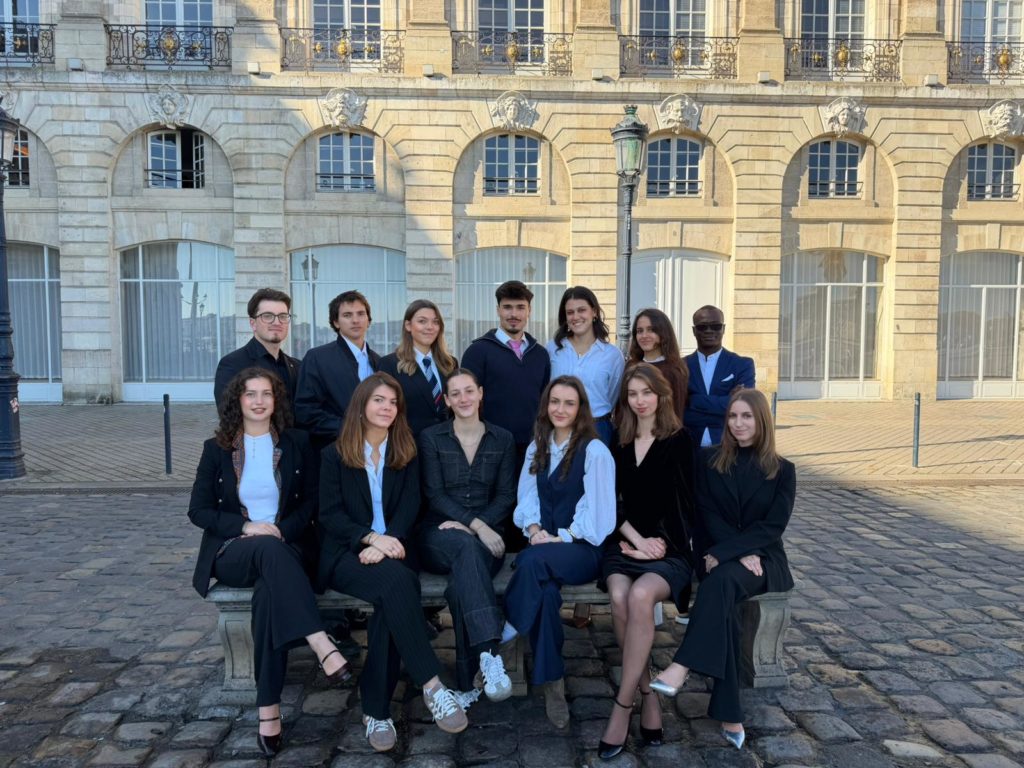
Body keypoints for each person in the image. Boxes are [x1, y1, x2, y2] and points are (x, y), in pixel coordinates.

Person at [188, 368, 351, 758]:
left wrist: (279, 530)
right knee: (264, 550)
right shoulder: (216, 449)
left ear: (276, 401)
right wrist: (247, 526)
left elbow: (311, 502)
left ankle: (269, 710)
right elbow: (199, 510)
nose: (259, 401)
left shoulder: (296, 443)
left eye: (266, 394)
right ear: (238, 401)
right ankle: (320, 641)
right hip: (234, 550)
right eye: (250, 394)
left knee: (267, 596)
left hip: (286, 547)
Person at [318, 373, 468, 752]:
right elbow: (330, 515)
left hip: (397, 548)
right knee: (399, 584)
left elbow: (410, 505)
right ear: (361, 405)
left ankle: (376, 711)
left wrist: (389, 542)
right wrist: (370, 539)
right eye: (379, 400)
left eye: (393, 402)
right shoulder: (334, 455)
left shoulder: (406, 451)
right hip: (347, 553)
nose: (387, 408)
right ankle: (432, 683)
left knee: (393, 592)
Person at [649, 388, 795, 751]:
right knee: (724, 594)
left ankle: (681, 666)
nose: (738, 423)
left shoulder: (783, 470)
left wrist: (735, 552)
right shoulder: (709, 460)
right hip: (717, 550)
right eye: (732, 416)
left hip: (764, 559)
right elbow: (705, 513)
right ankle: (729, 713)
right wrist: (730, 553)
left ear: (762, 420)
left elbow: (773, 526)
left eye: (747, 416)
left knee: (722, 583)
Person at [503, 375, 616, 728]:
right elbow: (526, 498)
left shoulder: (594, 451)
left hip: (582, 549)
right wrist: (534, 530)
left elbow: (600, 517)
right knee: (546, 594)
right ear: (546, 406)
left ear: (581, 409)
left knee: (529, 560)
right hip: (544, 550)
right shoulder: (537, 447)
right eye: (555, 402)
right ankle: (553, 682)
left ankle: (501, 641)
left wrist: (561, 537)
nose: (561, 409)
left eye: (569, 403)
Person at [597, 363, 695, 759]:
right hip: (623, 545)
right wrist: (635, 542)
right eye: (633, 394)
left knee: (640, 596)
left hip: (668, 548)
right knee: (619, 596)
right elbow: (609, 502)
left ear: (661, 395)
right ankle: (647, 693)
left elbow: (684, 507)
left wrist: (656, 546)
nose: (640, 401)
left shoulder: (679, 440)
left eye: (646, 393)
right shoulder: (618, 442)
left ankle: (622, 707)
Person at [417, 368, 516, 696]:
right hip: (438, 533)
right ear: (446, 400)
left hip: (488, 540)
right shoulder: (432, 438)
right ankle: (489, 653)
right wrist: (476, 526)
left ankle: (467, 684)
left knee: (463, 580)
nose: (463, 399)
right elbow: (435, 494)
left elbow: (506, 495)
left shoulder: (502, 439)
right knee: (464, 546)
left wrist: (477, 527)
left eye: (469, 391)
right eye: (455, 393)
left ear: (480, 393)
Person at [461, 280, 551, 551]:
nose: (514, 314)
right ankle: (489, 552)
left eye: (520, 307)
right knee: (494, 502)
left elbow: (544, 401)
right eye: (507, 307)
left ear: (529, 311)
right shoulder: (478, 351)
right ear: (498, 310)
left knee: (527, 500)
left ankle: (524, 554)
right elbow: (466, 400)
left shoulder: (540, 354)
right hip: (490, 445)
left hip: (531, 445)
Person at [295, 290, 381, 451]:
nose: (355, 320)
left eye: (361, 314)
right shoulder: (317, 358)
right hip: (335, 449)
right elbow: (305, 411)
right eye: (347, 315)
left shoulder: (379, 362)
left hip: (375, 449)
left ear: (368, 321)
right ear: (336, 322)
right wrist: (350, 429)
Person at [547, 286, 625, 447]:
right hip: (558, 427)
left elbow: (612, 396)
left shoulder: (612, 355)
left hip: (597, 429)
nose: (576, 317)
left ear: (594, 312)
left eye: (581, 310)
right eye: (570, 312)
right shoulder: (552, 349)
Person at [379, 300, 458, 438]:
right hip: (410, 444)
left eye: (435, 322)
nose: (430, 327)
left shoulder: (450, 363)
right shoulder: (389, 364)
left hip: (448, 443)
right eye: (422, 321)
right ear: (408, 325)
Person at [214, 289, 300, 414]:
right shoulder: (232, 364)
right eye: (267, 316)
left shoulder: (297, 366)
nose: (277, 322)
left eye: (283, 316)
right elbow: (229, 415)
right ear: (253, 323)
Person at [683, 305, 755, 448]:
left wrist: (692, 400)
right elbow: (678, 410)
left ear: (723, 329)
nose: (709, 331)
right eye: (702, 327)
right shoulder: (680, 366)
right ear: (694, 331)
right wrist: (726, 403)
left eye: (716, 326)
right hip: (688, 447)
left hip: (728, 445)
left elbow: (743, 406)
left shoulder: (742, 364)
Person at [627, 308, 688, 423]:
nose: (644, 335)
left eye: (651, 330)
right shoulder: (630, 366)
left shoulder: (674, 370)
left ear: (663, 333)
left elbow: (677, 413)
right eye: (639, 331)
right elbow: (622, 407)